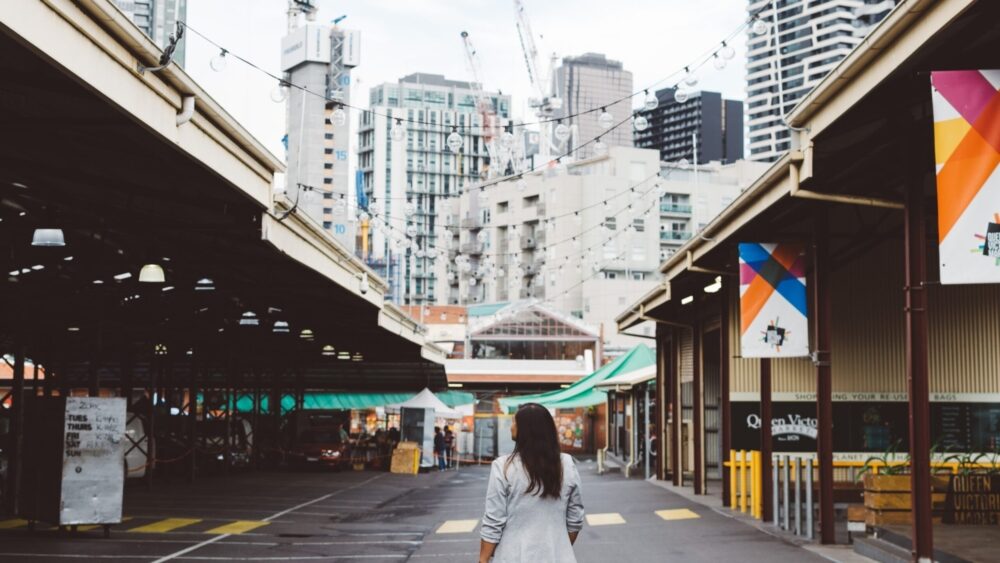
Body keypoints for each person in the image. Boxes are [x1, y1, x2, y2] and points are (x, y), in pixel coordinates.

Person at [480, 403, 584, 563]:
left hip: (513, 555)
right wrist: (558, 546)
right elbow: (575, 518)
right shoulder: (566, 463)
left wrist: (483, 559)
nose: (511, 427)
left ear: (526, 429)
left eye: (514, 422)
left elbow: (493, 520)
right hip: (558, 556)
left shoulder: (503, 467)